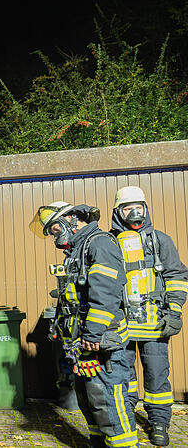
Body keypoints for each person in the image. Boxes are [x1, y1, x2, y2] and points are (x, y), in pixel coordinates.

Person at [30, 201, 138, 448]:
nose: (54, 235)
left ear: (72, 219)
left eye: (55, 228)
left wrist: (93, 333)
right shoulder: (77, 250)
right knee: (90, 403)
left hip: (101, 343)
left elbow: (106, 292)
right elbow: (74, 297)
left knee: (108, 403)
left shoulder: (99, 243)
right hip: (83, 345)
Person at [110, 186, 188, 446]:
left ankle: (159, 422)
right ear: (118, 212)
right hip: (121, 324)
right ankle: (127, 417)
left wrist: (174, 312)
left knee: (156, 374)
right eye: (128, 208)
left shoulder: (160, 240)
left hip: (154, 323)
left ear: (146, 209)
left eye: (139, 207)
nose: (134, 212)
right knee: (124, 377)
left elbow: (176, 276)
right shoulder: (109, 243)